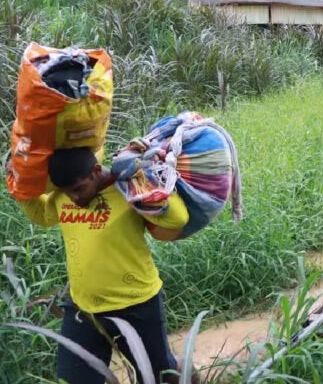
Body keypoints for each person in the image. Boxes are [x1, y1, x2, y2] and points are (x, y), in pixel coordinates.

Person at [12, 148, 192, 384]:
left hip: (136, 305)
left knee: (160, 376)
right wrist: (19, 182)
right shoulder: (63, 196)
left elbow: (177, 219)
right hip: (83, 309)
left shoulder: (127, 190)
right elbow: (43, 215)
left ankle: (184, 371)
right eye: (67, 192)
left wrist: (147, 178)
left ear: (96, 171)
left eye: (79, 189)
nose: (74, 198)